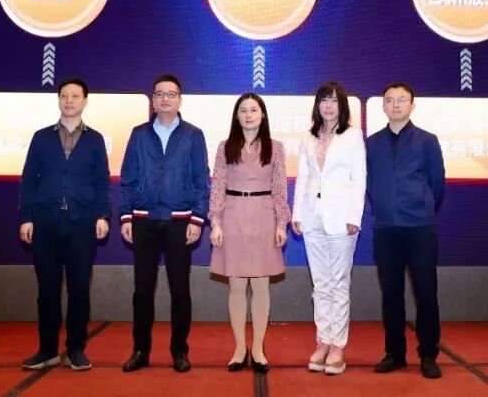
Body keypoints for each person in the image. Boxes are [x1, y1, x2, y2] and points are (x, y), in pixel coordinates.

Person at [18, 76, 110, 372]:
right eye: (64, 95)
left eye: (75, 96)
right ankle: (47, 349)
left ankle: (76, 349)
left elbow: (102, 182)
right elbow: (28, 180)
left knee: (79, 288)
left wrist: (103, 215)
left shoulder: (95, 140)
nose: (69, 101)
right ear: (58, 100)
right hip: (45, 222)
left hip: (82, 223)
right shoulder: (41, 137)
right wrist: (26, 217)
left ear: (85, 101)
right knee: (47, 289)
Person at [119, 74, 210, 373]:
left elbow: (201, 181)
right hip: (144, 221)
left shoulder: (193, 135)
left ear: (180, 99)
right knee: (142, 290)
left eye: (171, 94)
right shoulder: (139, 134)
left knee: (180, 290)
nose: (165, 99)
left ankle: (179, 351)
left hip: (179, 222)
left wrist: (197, 218)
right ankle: (140, 350)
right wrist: (126, 215)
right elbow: (128, 178)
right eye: (159, 94)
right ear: (153, 100)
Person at [366, 83, 445, 379]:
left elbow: (437, 183)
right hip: (386, 229)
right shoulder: (372, 143)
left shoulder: (427, 140)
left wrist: (422, 206)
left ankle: (428, 354)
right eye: (390, 100)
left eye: (402, 100)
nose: (396, 105)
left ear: (412, 105)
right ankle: (395, 353)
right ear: (383, 106)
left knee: (426, 292)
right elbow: (369, 183)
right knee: (391, 293)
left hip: (420, 228)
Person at [208, 93, 290, 374]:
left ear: (262, 114)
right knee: (236, 286)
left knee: (261, 286)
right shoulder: (225, 147)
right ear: (237, 115)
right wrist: (215, 222)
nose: (248, 115)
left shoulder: (275, 147)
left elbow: (279, 188)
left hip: (264, 216)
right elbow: (218, 186)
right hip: (232, 216)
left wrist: (281, 224)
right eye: (243, 110)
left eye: (254, 110)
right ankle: (239, 348)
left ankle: (258, 349)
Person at [291, 81, 366, 375]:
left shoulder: (352, 136)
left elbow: (359, 179)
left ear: (342, 105)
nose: (329, 105)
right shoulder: (308, 136)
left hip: (341, 219)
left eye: (334, 100)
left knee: (338, 283)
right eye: (324, 100)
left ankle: (338, 346)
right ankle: (322, 341)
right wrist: (298, 213)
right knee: (320, 284)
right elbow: (303, 177)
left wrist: (354, 216)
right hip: (312, 217)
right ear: (317, 105)